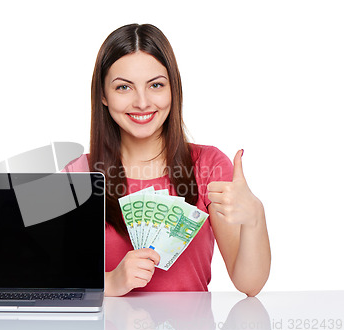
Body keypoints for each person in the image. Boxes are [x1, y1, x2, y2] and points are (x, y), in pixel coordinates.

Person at [64, 23, 270, 297]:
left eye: (156, 85)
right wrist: (111, 282)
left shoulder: (208, 166)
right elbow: (54, 277)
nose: (142, 102)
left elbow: (249, 284)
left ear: (173, 88)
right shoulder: (79, 173)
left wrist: (255, 216)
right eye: (124, 87)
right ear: (103, 94)